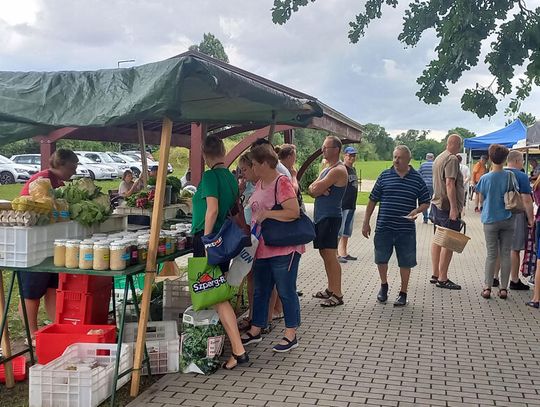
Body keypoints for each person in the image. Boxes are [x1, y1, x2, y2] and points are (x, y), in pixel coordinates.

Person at [191, 135, 248, 370]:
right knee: (216, 292)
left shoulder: (210, 176)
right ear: (223, 152)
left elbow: (212, 210)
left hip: (209, 240)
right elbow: (232, 209)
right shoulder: (230, 178)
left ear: (204, 155)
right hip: (221, 241)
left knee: (215, 294)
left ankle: (238, 350)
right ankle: (218, 342)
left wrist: (206, 240)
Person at [241, 143, 303, 353]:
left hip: (284, 249)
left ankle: (291, 334)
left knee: (286, 291)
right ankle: (257, 328)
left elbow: (293, 212)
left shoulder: (281, 182)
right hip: (263, 248)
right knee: (261, 290)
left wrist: (268, 214)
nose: (253, 169)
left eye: (255, 165)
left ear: (266, 163)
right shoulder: (260, 183)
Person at [19, 149, 79, 342]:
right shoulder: (43, 181)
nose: (74, 171)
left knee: (52, 287)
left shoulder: (58, 182)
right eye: (72, 166)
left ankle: (56, 327)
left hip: (50, 243)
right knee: (32, 290)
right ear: (61, 164)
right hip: (32, 244)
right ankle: (32, 334)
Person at [362, 145, 430, 306]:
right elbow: (372, 199)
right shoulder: (384, 176)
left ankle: (403, 292)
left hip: (405, 229)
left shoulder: (417, 178)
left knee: (405, 261)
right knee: (381, 258)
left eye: (399, 157)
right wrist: (366, 222)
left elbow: (426, 202)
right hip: (384, 226)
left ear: (408, 159)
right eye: (394, 157)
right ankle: (384, 286)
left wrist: (417, 211)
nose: (396, 160)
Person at [309, 135, 348, 307]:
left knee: (331, 255)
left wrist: (318, 189)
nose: (322, 150)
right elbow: (310, 189)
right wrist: (317, 189)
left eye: (326, 147)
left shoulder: (338, 170)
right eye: (323, 147)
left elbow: (315, 188)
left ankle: (337, 294)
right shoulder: (327, 168)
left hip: (331, 218)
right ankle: (330, 289)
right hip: (321, 217)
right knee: (324, 253)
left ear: (336, 150)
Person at [475, 145, 517, 299]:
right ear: (505, 159)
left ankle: (487, 287)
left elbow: (481, 196)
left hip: (490, 219)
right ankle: (504, 289)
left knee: (491, 255)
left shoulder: (485, 178)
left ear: (490, 158)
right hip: (508, 218)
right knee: (505, 253)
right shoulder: (510, 176)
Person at [430, 134, 464, 290]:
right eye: (461, 145)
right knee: (448, 241)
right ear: (457, 144)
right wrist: (454, 208)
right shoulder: (452, 159)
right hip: (446, 206)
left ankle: (436, 273)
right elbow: (450, 184)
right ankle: (443, 278)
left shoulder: (439, 158)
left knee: (438, 239)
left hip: (437, 203)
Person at [505, 150, 534, 291]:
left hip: (498, 215)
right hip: (516, 214)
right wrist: (531, 219)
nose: (523, 163)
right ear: (516, 161)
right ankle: (514, 279)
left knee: (499, 248)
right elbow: (527, 200)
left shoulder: (498, 173)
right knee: (514, 249)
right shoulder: (521, 176)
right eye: (522, 160)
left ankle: (494, 278)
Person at [337, 146, 359, 263]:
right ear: (344, 155)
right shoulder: (342, 169)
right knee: (339, 231)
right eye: (349, 155)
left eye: (354, 155)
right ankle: (335, 254)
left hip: (352, 204)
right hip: (343, 204)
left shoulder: (353, 170)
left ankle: (344, 252)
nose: (352, 157)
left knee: (347, 231)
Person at [418, 153, 434, 224]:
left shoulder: (423, 165)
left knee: (424, 202)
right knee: (435, 201)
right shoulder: (435, 165)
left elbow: (419, 174)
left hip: (424, 186)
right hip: (434, 185)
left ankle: (425, 218)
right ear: (433, 158)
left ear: (426, 158)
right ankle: (431, 214)